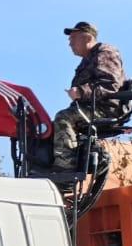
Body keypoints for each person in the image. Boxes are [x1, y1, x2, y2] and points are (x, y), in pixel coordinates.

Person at [52, 21, 125, 170]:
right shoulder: (88, 59)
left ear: (87, 38)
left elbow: (110, 85)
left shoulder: (105, 52)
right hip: (92, 107)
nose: (70, 44)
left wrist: (80, 91)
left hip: (105, 108)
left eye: (73, 38)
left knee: (63, 118)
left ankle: (65, 169)